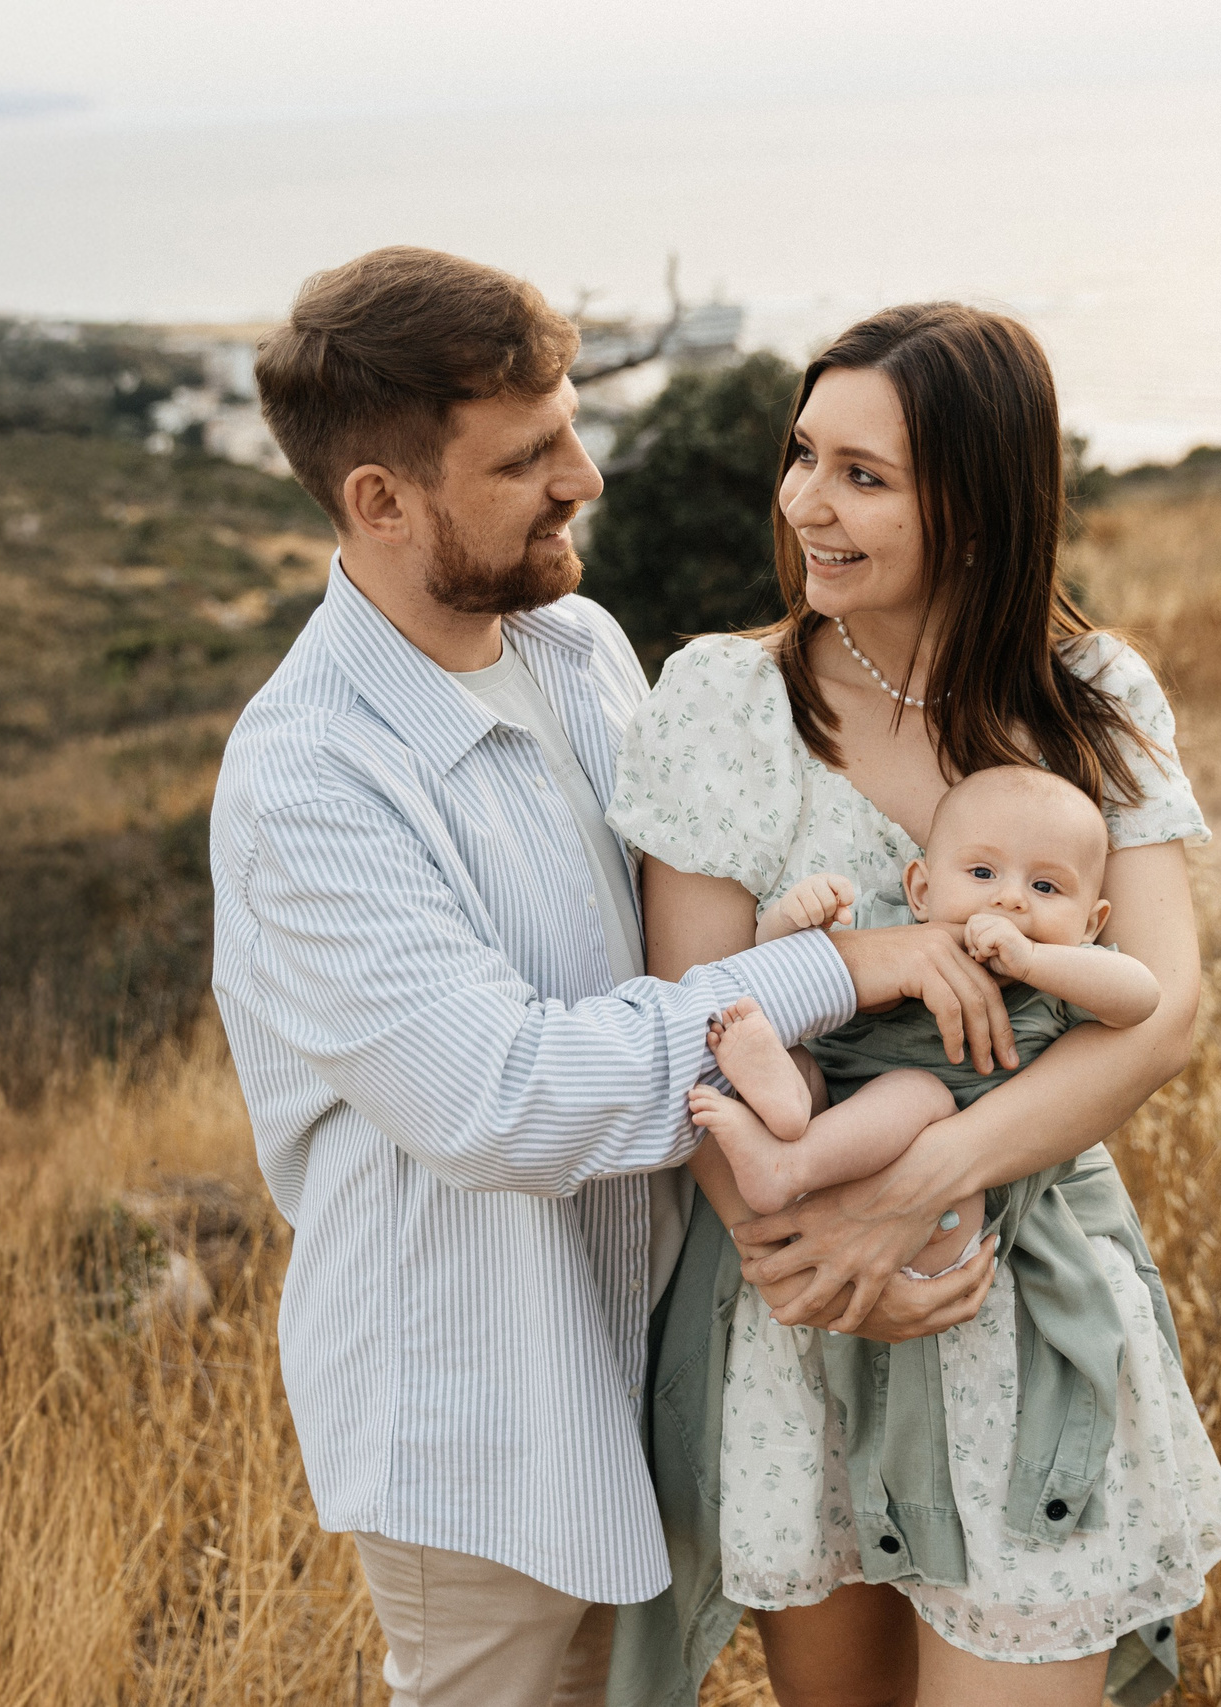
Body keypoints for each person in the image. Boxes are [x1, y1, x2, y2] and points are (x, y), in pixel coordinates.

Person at [209, 248, 1016, 1707]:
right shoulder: (310, 776)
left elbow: (676, 957)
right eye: (525, 457)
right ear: (380, 501)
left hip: (644, 1340)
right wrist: (837, 964)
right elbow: (506, 1096)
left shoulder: (576, 644)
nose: (583, 473)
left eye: (570, 426)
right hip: (486, 1407)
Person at [606, 303, 1221, 1707]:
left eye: (863, 475)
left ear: (975, 502)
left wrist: (927, 1189)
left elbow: (1163, 1006)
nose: (804, 503)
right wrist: (812, 1247)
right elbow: (690, 1021)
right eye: (801, 454)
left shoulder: (1092, 697)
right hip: (800, 1311)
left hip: (1015, 1291)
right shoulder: (725, 700)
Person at [689, 765, 1166, 1283]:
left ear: (1090, 924)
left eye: (1046, 886)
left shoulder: (1061, 981)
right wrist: (789, 920)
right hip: (828, 1126)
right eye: (982, 874)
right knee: (792, 1051)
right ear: (920, 890)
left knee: (921, 1094)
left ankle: (786, 1166)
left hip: (943, 1208)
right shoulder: (890, 930)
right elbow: (780, 972)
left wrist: (1033, 960)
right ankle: (785, 1123)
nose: (1010, 899)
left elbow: (1142, 998)